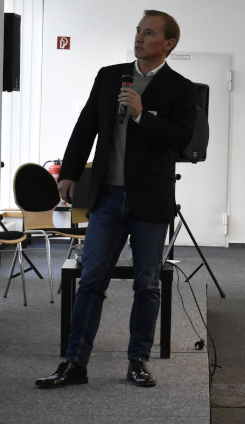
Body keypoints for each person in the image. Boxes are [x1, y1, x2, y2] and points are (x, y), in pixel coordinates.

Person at [36, 10, 197, 389]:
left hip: (150, 201)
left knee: (147, 283)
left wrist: (142, 115)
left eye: (148, 33)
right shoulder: (111, 76)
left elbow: (181, 140)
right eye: (138, 31)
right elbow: (86, 125)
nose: (140, 38)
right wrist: (71, 172)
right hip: (108, 198)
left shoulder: (181, 87)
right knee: (91, 280)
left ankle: (138, 361)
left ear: (168, 43)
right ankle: (75, 363)